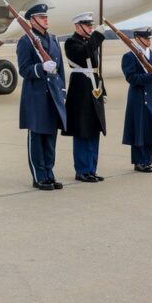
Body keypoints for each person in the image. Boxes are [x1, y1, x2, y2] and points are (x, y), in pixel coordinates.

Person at [16, 4, 67, 190]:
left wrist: (62, 91)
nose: (46, 19)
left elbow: (60, 69)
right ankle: (39, 177)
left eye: (46, 16)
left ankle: (49, 173)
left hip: (53, 95)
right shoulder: (25, 41)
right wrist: (40, 68)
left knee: (50, 138)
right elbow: (23, 69)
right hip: (36, 97)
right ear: (32, 20)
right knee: (37, 137)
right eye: (41, 17)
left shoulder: (53, 40)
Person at [62, 12, 106, 183]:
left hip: (94, 88)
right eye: (87, 26)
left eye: (91, 26)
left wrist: (104, 91)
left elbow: (95, 69)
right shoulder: (71, 43)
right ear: (77, 26)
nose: (90, 28)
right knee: (82, 130)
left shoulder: (89, 42)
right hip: (80, 89)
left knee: (94, 129)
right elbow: (84, 54)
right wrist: (97, 36)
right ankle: (82, 170)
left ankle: (91, 169)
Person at [121, 27, 152, 172]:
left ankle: (148, 160)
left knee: (150, 130)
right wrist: (149, 77)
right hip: (138, 98)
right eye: (146, 38)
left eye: (149, 38)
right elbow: (131, 78)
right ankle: (139, 161)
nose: (148, 40)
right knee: (139, 130)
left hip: (151, 98)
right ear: (138, 39)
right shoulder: (130, 56)